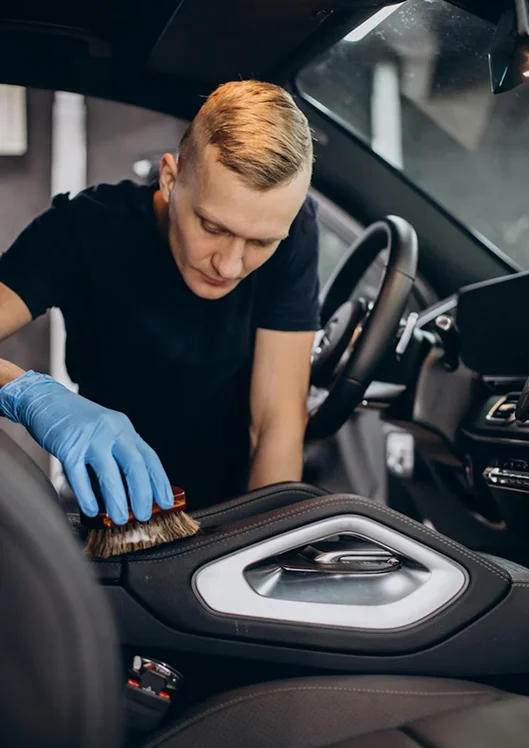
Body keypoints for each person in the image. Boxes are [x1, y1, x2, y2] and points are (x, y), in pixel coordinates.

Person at [0, 80, 320, 523]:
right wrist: (24, 392)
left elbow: (275, 423)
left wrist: (263, 543)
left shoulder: (295, 235)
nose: (229, 265)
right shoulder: (83, 229)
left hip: (231, 507)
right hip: (111, 514)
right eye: (212, 227)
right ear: (170, 180)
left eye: (261, 242)